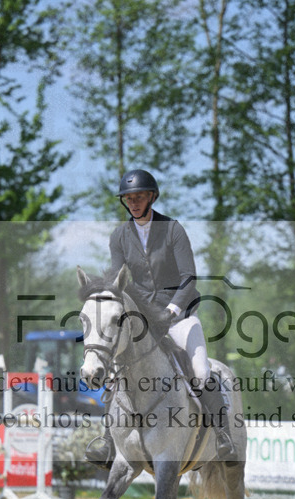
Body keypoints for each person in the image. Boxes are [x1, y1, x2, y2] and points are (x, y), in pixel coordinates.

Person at [84, 169, 236, 467]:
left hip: (180, 315)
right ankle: (107, 441)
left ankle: (223, 437)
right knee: (116, 374)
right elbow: (118, 280)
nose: (134, 203)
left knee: (201, 373)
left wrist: (171, 311)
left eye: (139, 197)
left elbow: (188, 278)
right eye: (129, 198)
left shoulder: (173, 230)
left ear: (151, 197)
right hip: (144, 321)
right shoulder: (119, 236)